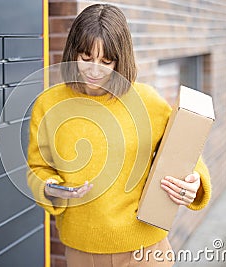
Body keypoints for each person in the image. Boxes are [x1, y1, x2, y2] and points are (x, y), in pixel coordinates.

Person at [27, 3, 211, 267]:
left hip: (146, 250)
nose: (94, 70)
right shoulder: (49, 104)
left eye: (106, 61)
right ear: (72, 53)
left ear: (120, 58)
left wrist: (195, 183)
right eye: (86, 57)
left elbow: (185, 151)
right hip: (81, 251)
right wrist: (51, 188)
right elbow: (38, 167)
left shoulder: (147, 102)